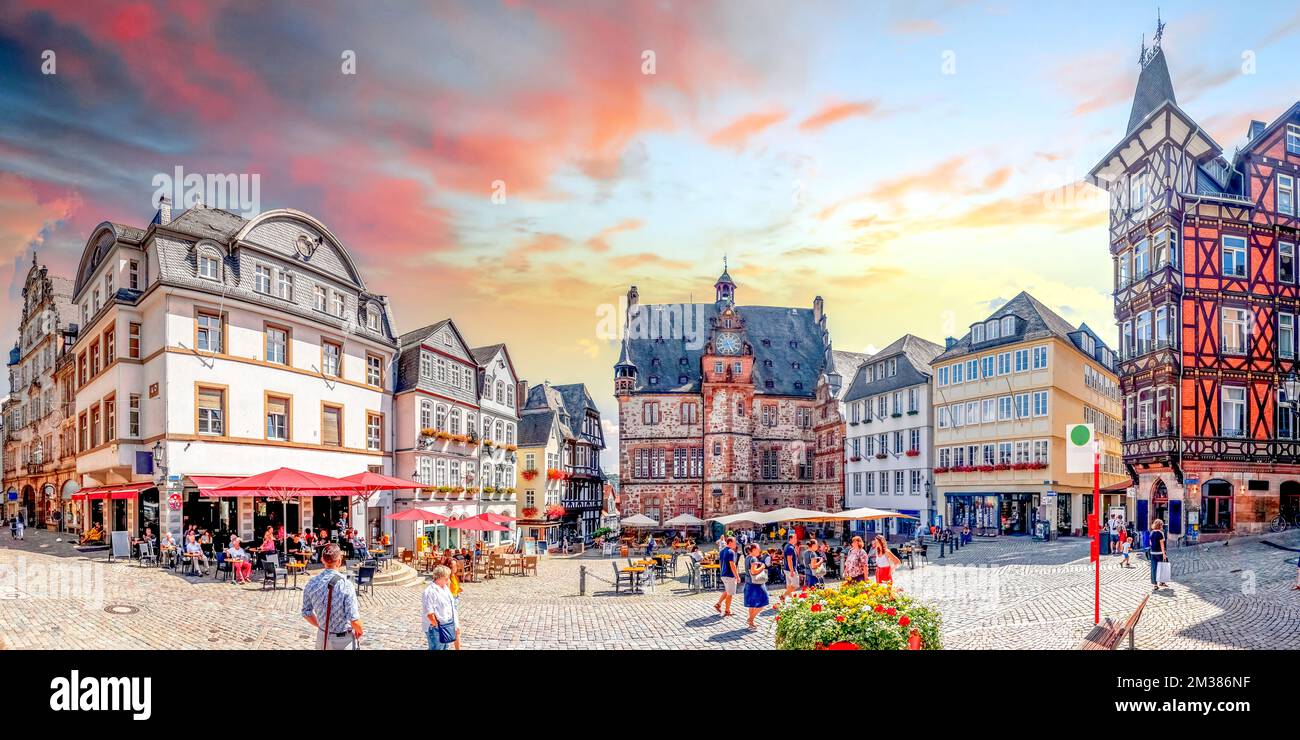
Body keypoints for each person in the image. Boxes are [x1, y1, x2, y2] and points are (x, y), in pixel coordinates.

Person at [302, 544, 362, 650]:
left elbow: (306, 613)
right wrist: (360, 631)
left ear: (322, 560)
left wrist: (321, 626)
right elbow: (354, 620)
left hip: (322, 638)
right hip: (342, 641)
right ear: (339, 561)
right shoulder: (346, 584)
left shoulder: (312, 583)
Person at [423, 564, 461, 650]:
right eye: (447, 577)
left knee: (445, 647)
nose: (448, 579)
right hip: (436, 628)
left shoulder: (445, 588)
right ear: (439, 577)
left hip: (447, 625)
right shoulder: (430, 591)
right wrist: (437, 626)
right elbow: (429, 613)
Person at [743, 543, 769, 630]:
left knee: (752, 604)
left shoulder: (747, 557)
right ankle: (750, 620)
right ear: (753, 550)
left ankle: (751, 622)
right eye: (758, 549)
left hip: (749, 583)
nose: (759, 550)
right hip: (756, 584)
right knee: (763, 602)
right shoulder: (753, 559)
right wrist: (762, 566)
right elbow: (754, 572)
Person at [714, 536, 739, 617]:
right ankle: (727, 610)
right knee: (730, 594)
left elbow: (721, 563)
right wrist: (737, 576)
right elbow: (732, 565)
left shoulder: (722, 551)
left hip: (723, 574)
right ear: (730, 542)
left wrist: (722, 572)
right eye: (735, 542)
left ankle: (718, 604)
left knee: (727, 591)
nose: (736, 544)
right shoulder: (731, 551)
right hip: (729, 575)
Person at [1148, 518, 1169, 590]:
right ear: (1160, 525)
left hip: (1152, 552)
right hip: (1159, 553)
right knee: (1162, 567)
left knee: (1154, 568)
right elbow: (1162, 544)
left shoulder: (1151, 533)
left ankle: (1155, 584)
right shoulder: (1161, 533)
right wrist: (1164, 554)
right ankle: (1162, 582)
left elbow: (1150, 543)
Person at [781, 533, 800, 601]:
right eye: (795, 538)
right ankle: (783, 595)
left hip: (786, 568)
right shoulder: (790, 547)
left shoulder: (787, 546)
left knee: (789, 585)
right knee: (795, 585)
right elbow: (789, 559)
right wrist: (792, 570)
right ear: (791, 539)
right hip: (790, 569)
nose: (796, 539)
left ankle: (791, 599)